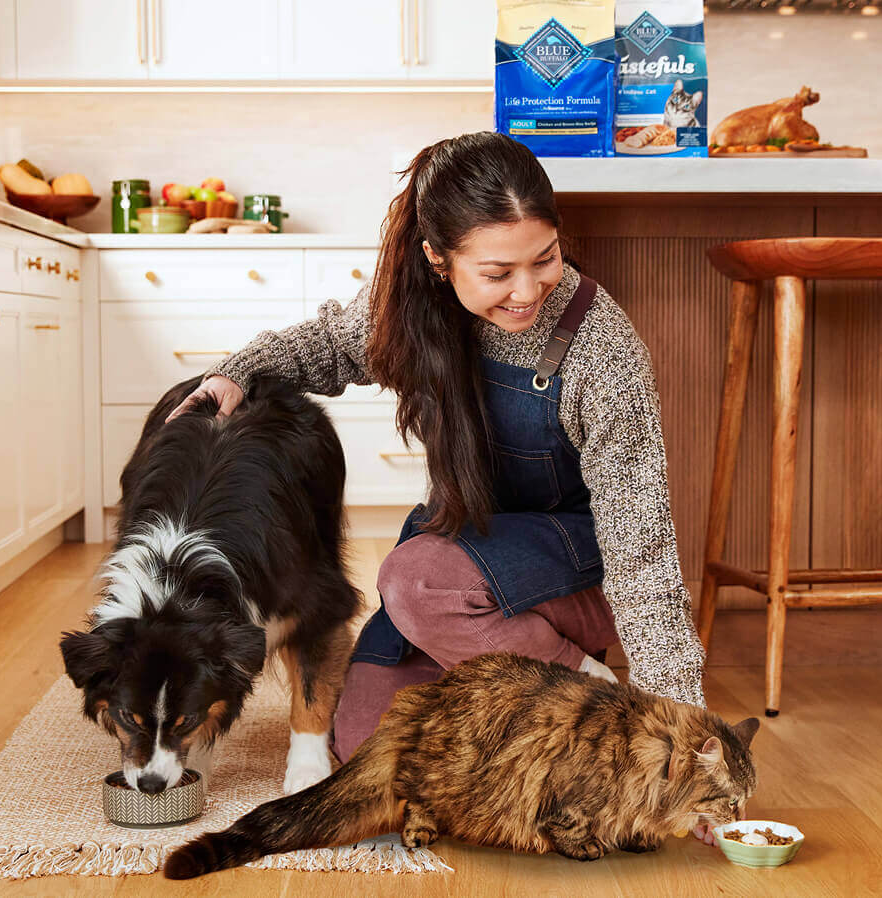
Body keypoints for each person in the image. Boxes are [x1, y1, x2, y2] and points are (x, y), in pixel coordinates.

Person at [167, 131, 715, 845]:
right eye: (497, 273)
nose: (527, 290)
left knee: (416, 579)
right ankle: (552, 723)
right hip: (469, 566)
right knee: (366, 742)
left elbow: (642, 553)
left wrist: (682, 737)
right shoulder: (410, 306)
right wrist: (235, 372)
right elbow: (326, 344)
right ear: (437, 259)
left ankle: (593, 699)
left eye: (544, 259)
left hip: (575, 570)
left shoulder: (601, 347)